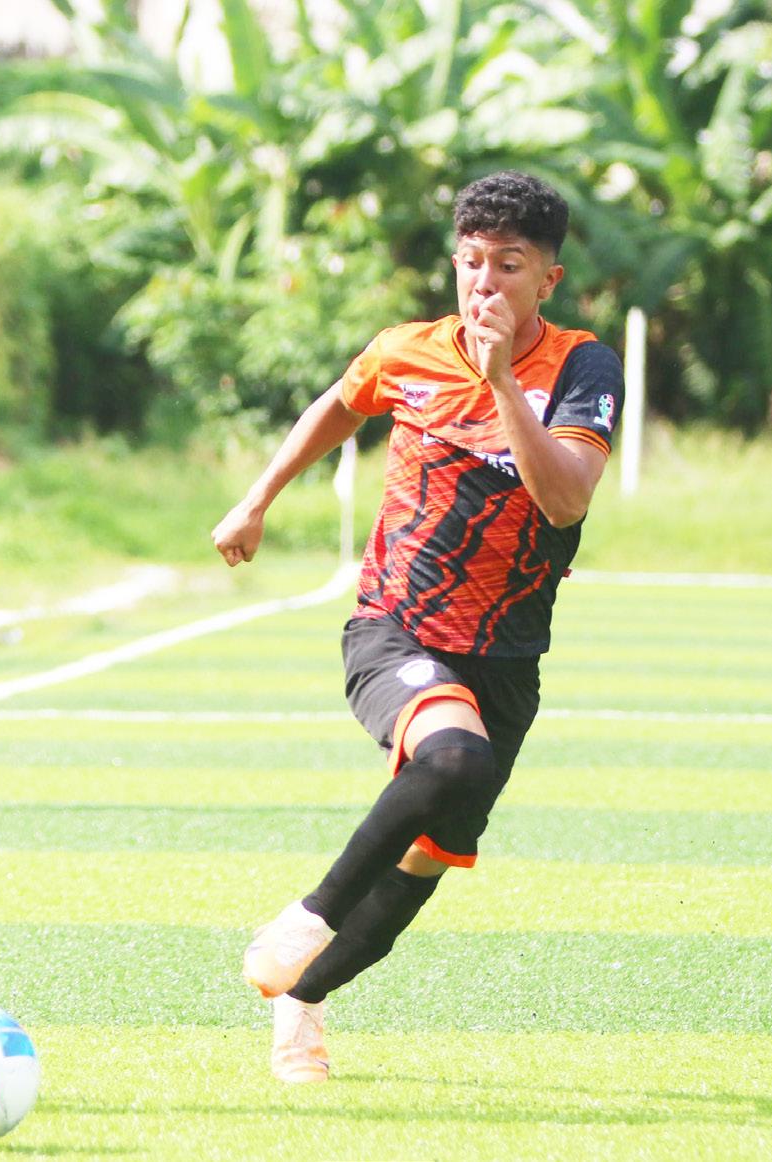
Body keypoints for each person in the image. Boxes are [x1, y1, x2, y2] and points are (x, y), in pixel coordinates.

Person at [212, 171, 623, 1083]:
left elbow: (564, 502)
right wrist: (257, 499)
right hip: (396, 629)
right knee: (451, 759)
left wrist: (502, 381)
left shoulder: (582, 367)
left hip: (506, 658)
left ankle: (301, 1002)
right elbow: (337, 404)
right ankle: (308, 916)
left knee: (422, 866)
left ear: (546, 280)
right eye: (471, 261)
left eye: (508, 265)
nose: (484, 282)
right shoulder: (406, 350)